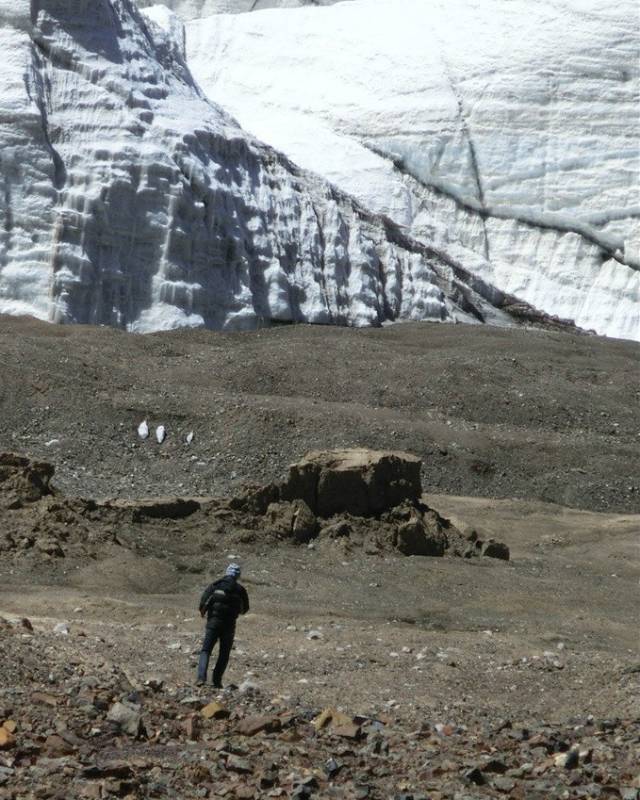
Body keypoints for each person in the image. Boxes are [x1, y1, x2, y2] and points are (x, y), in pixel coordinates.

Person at [196, 563, 249, 687]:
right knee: (224, 654)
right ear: (238, 576)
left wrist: (205, 613)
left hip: (213, 623)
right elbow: (245, 609)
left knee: (206, 650)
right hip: (229, 626)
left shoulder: (215, 585)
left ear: (227, 572)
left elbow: (203, 603)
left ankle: (201, 678)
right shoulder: (240, 590)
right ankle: (217, 681)